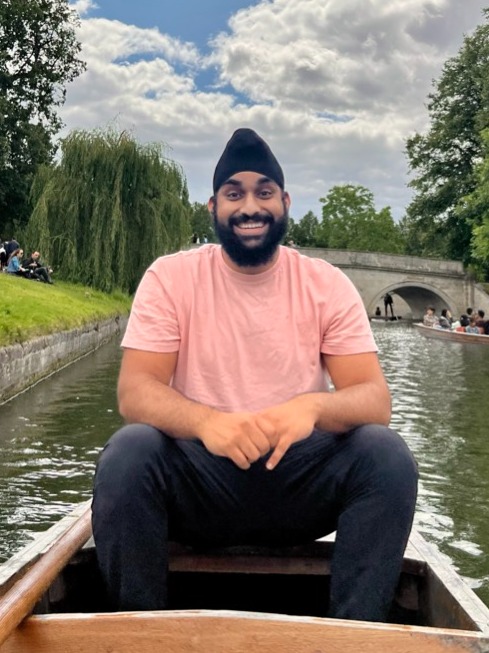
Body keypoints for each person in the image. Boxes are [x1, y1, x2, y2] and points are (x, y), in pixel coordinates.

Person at [92, 128, 418, 623]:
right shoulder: (170, 277)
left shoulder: (326, 284)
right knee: (128, 451)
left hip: (297, 488)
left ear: (285, 202)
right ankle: (141, 632)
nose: (250, 207)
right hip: (200, 487)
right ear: (213, 207)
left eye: (264, 192)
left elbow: (375, 400)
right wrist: (207, 423)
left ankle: (354, 633)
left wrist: (311, 407)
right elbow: (135, 392)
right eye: (234, 193)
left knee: (385, 454)